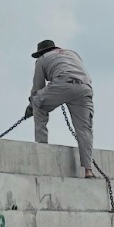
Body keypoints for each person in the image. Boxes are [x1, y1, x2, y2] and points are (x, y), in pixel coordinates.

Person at [26, 39, 95, 176]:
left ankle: (42, 148)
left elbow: (37, 88)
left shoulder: (42, 59)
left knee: (38, 103)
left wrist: (31, 107)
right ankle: (88, 170)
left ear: (41, 52)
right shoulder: (72, 53)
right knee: (84, 129)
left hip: (63, 82)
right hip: (85, 87)